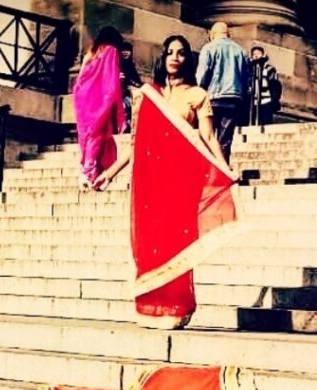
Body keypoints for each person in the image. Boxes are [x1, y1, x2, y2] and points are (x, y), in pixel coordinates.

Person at [95, 35, 238, 329]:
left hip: (182, 180)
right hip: (152, 182)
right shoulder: (148, 96)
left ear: (189, 59)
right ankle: (149, 305)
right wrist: (110, 172)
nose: (175, 57)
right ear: (163, 57)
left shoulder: (197, 95)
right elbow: (136, 144)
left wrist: (226, 169)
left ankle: (177, 306)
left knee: (176, 241)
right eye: (170, 52)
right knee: (152, 242)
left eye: (182, 53)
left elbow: (208, 137)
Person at [71, 26, 125, 188]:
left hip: (82, 97)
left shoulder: (91, 52)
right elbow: (111, 80)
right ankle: (88, 173)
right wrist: (117, 105)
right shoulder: (111, 51)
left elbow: (80, 76)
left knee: (86, 136)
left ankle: (90, 173)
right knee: (98, 135)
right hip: (99, 97)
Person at [197, 21, 250, 161]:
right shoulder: (241, 51)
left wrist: (198, 91)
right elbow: (246, 79)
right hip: (233, 99)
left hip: (212, 98)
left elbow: (202, 75)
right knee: (225, 139)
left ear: (212, 34)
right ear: (228, 34)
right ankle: (222, 169)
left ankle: (207, 168)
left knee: (207, 136)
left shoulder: (209, 48)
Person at [248, 44, 281, 125]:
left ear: (263, 54)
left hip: (266, 101)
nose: (256, 56)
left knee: (266, 122)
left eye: (258, 53)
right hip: (253, 102)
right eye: (254, 54)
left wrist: (274, 101)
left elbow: (275, 86)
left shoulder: (269, 69)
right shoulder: (250, 69)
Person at [119, 40, 143, 132]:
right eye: (123, 50)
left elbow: (136, 81)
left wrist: (136, 85)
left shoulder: (131, 66)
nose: (125, 52)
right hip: (120, 94)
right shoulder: (118, 65)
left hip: (129, 94)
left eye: (128, 50)